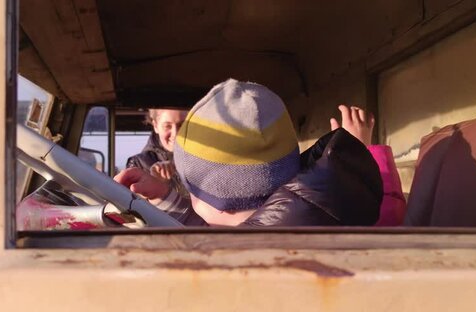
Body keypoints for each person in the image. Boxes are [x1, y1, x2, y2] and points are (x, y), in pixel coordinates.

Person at [115, 79, 403, 226]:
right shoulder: (303, 214)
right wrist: (166, 197)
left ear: (221, 202)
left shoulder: (248, 255)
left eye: (193, 190)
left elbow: (210, 236)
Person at [125, 109, 187, 191]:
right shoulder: (139, 165)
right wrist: (155, 186)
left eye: (182, 125)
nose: (175, 133)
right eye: (167, 126)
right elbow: (131, 201)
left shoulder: (203, 160)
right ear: (155, 126)